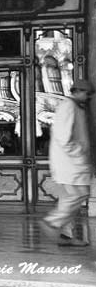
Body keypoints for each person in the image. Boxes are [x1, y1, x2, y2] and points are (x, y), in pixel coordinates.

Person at [41, 79, 94, 246]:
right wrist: (79, 154)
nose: (88, 97)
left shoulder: (75, 107)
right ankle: (52, 222)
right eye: (87, 93)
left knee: (67, 199)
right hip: (69, 163)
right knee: (79, 194)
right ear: (78, 91)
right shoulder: (68, 106)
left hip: (71, 163)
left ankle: (66, 236)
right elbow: (63, 138)